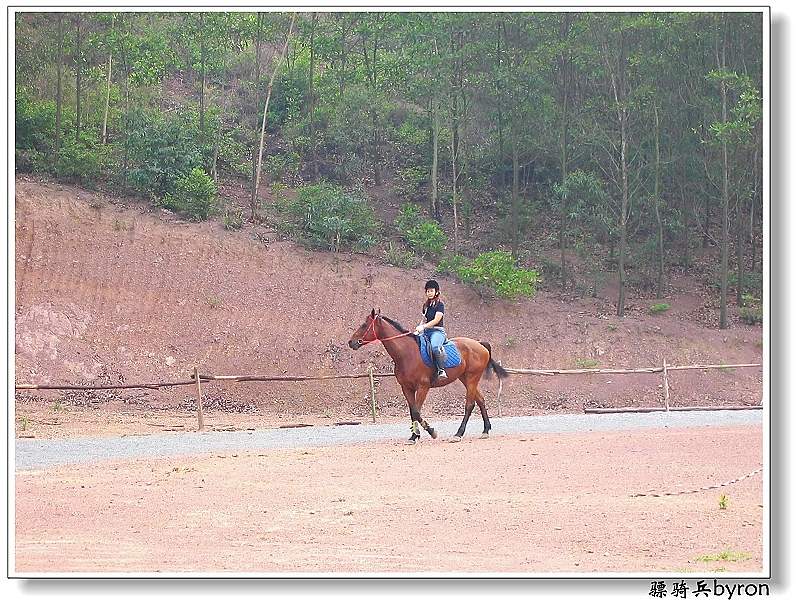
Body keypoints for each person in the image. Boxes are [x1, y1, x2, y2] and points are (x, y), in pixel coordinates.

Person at [414, 279, 448, 380]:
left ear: (436, 291)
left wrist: (423, 327)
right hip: (426, 331)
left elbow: (436, 319)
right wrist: (418, 329)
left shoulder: (440, 305)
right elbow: (423, 319)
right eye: (428, 291)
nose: (429, 293)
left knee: (434, 347)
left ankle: (441, 370)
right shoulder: (425, 306)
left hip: (437, 331)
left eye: (431, 291)